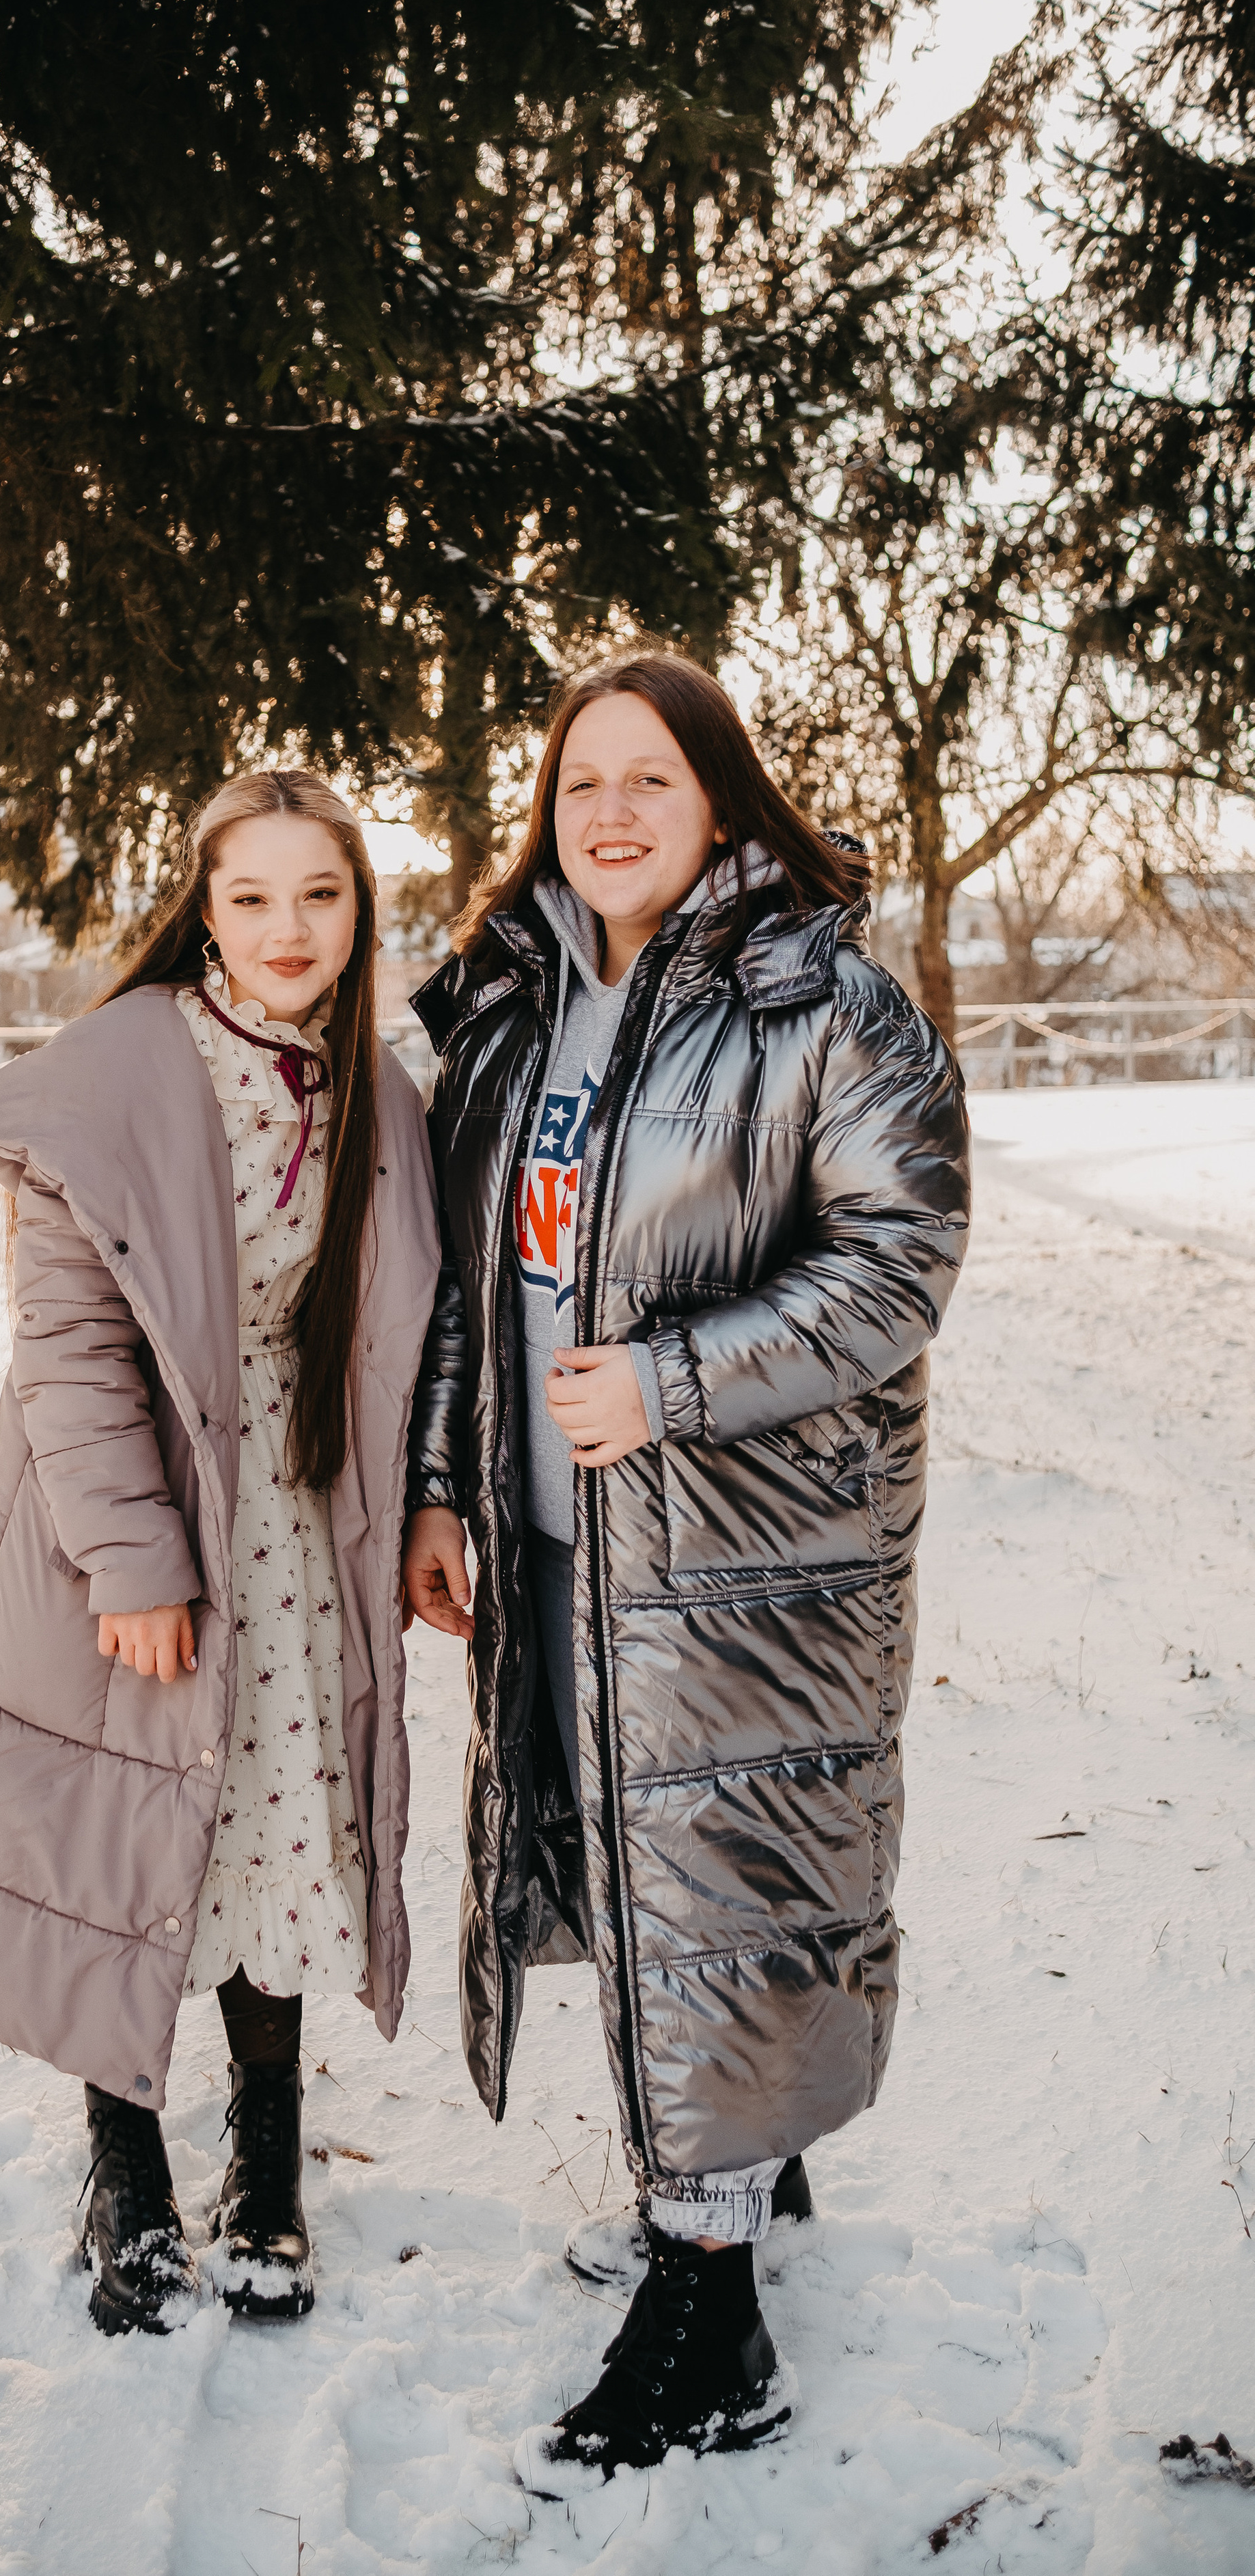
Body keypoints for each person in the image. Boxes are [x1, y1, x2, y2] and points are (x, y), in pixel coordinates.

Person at [402, 652, 970, 2488]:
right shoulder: (517, 1011)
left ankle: (710, 2309)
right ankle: (741, 2155)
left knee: (723, 1879)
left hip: (750, 1566)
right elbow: (456, 1299)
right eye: (583, 787)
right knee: (663, 1889)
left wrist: (668, 1380)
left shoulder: (826, 1006)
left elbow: (898, 1268)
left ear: (721, 797)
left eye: (653, 780)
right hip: (568, 1555)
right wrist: (441, 1487)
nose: (614, 816)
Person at [0, 769, 440, 2334]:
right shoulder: (124, 1072)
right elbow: (64, 1344)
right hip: (131, 1516)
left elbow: (420, 1332)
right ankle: (124, 2164)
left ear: (358, 910)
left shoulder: (374, 1091)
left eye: (320, 895)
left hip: (296, 1517)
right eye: (252, 895)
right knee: (131, 1837)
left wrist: (421, 1507)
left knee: (272, 1822)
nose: (287, 928)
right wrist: (132, 1560)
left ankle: (263, 2168)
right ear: (202, 905)